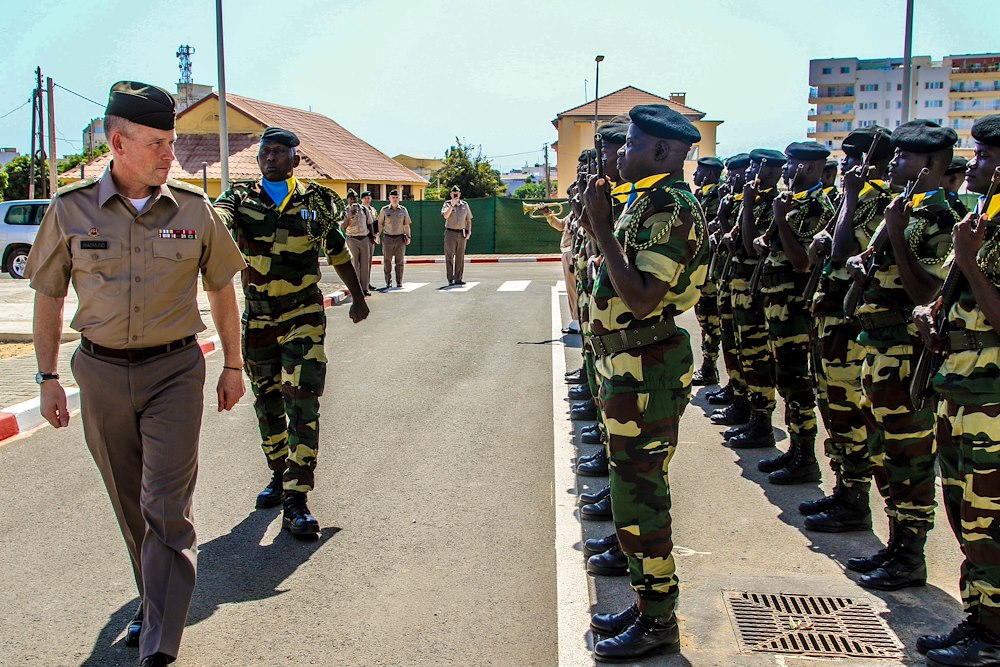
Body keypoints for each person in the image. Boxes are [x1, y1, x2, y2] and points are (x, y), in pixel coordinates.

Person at [25, 81, 247, 667]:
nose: (170, 153)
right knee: (131, 505)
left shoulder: (195, 212)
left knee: (165, 504)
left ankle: (159, 646)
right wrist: (47, 376)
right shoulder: (70, 210)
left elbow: (222, 286)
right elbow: (48, 296)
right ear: (118, 142)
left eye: (172, 141)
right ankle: (153, 605)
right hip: (99, 373)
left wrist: (233, 363)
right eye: (158, 142)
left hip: (175, 369)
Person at [581, 104, 708, 662]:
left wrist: (602, 230)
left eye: (629, 144)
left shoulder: (669, 208)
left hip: (647, 369)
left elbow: (642, 298)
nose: (620, 153)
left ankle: (659, 618)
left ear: (659, 151)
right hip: (627, 366)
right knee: (631, 489)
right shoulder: (645, 200)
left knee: (641, 495)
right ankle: (647, 602)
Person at [214, 126, 370, 539]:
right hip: (259, 318)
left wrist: (357, 297)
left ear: (295, 159)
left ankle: (298, 499)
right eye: (265, 152)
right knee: (266, 402)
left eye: (279, 151)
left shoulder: (315, 203)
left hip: (302, 314)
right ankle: (279, 474)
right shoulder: (241, 199)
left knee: (302, 401)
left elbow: (336, 250)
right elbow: (219, 218)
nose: (270, 157)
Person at [845, 119, 959, 591]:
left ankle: (910, 555)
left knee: (910, 456)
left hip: (908, 353)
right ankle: (895, 546)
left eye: (904, 157)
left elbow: (927, 291)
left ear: (930, 166)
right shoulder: (903, 208)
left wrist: (893, 233)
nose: (893, 161)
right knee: (882, 450)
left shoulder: (940, 218)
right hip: (879, 349)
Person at [913, 114, 1000, 665]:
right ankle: (981, 617)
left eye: (988, 157)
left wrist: (967, 261)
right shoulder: (986, 221)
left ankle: (993, 635)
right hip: (964, 388)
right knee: (967, 512)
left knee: (991, 518)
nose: (976, 168)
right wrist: (937, 314)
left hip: (993, 398)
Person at [750, 141, 835, 484]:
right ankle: (796, 449)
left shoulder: (819, 205)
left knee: (798, 383)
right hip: (778, 308)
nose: (786, 170)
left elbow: (801, 262)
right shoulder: (792, 202)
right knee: (786, 380)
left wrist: (780, 220)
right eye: (787, 164)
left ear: (812, 168)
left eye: (794, 164)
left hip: (796, 311)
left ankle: (805, 457)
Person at [692, 155, 725, 385]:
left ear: (711, 175)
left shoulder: (717, 197)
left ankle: (709, 366)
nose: (695, 175)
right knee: (704, 319)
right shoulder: (701, 196)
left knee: (711, 321)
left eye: (699, 171)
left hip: (713, 271)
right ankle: (707, 364)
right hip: (702, 268)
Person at [341, 189, 375, 296]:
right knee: (354, 264)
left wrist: (372, 237)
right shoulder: (345, 211)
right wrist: (350, 215)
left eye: (355, 198)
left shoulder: (364, 209)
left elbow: (370, 223)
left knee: (365, 265)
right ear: (348, 200)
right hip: (352, 239)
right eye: (351, 198)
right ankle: (356, 288)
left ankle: (365, 288)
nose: (353, 200)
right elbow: (343, 227)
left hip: (364, 238)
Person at [377, 189, 412, 289]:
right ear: (389, 198)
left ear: (399, 198)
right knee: (387, 261)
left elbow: (406, 225)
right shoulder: (384, 210)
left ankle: (399, 281)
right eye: (393, 197)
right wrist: (377, 235)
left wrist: (408, 236)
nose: (395, 199)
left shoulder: (403, 210)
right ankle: (388, 282)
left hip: (400, 238)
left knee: (399, 261)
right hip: (387, 238)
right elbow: (379, 223)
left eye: (397, 197)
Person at [441, 185, 472, 285]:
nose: (455, 195)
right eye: (453, 194)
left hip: (461, 232)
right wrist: (452, 205)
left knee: (460, 256)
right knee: (449, 256)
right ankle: (450, 279)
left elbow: (468, 219)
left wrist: (469, 231)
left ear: (460, 194)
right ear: (450, 194)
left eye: (457, 194)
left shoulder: (464, 205)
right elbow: (445, 216)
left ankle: (458, 278)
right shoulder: (447, 204)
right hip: (450, 232)